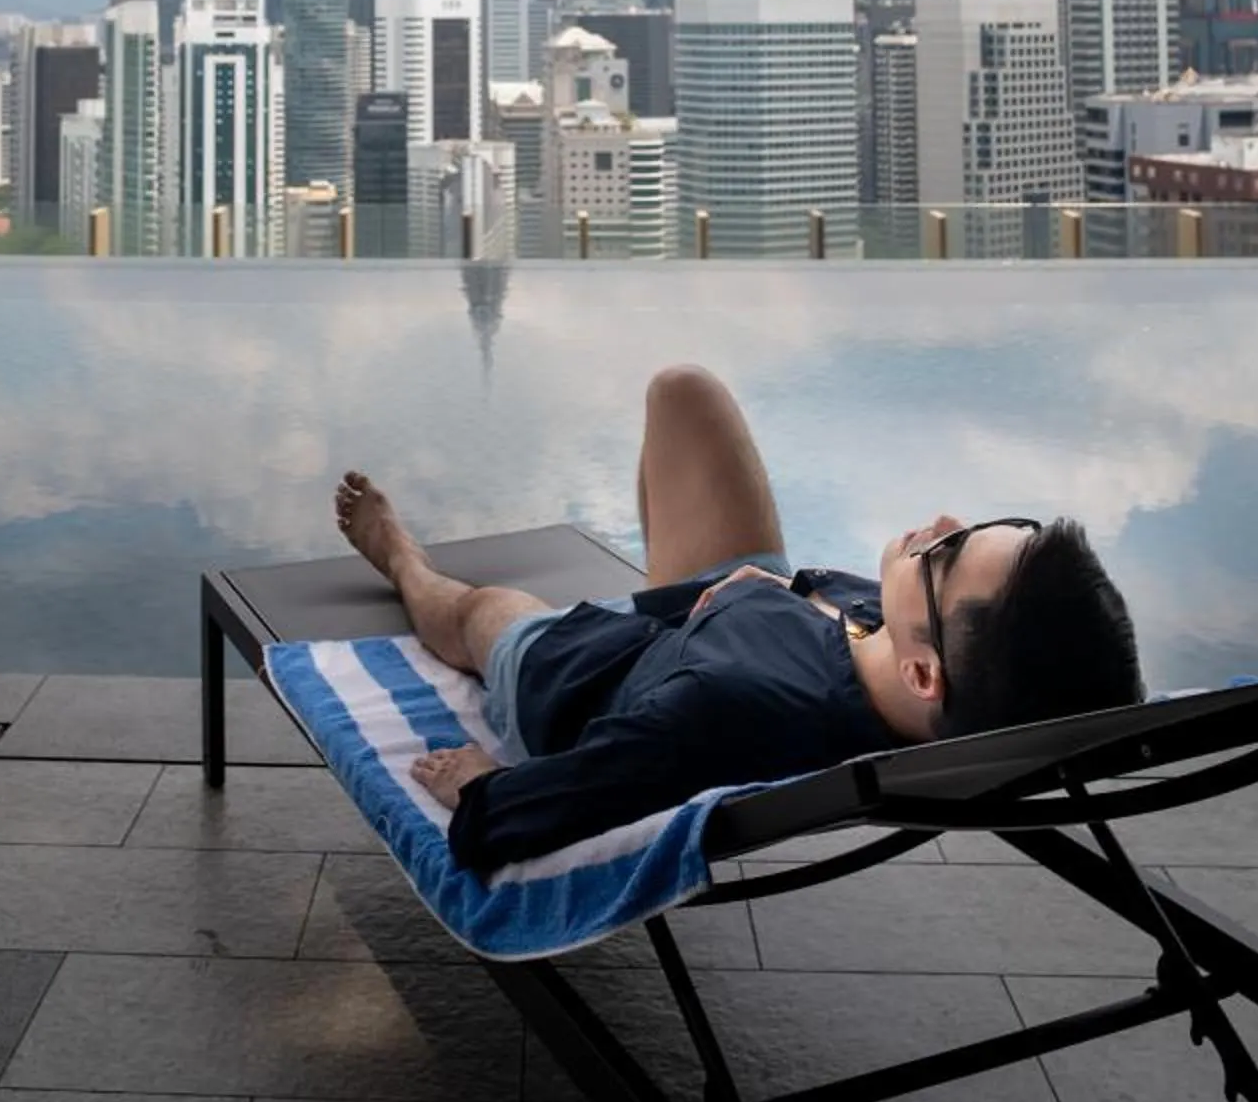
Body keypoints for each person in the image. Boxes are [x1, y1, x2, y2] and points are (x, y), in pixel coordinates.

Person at [333, 361, 1142, 877]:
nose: (936, 522)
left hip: (594, 670)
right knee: (684, 391)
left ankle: (402, 559)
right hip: (740, 604)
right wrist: (781, 594)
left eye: (947, 552)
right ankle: (703, 593)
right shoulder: (924, 664)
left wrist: (479, 784)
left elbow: (502, 824)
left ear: (924, 674)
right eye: (977, 524)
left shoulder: (718, 710)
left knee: (487, 613)